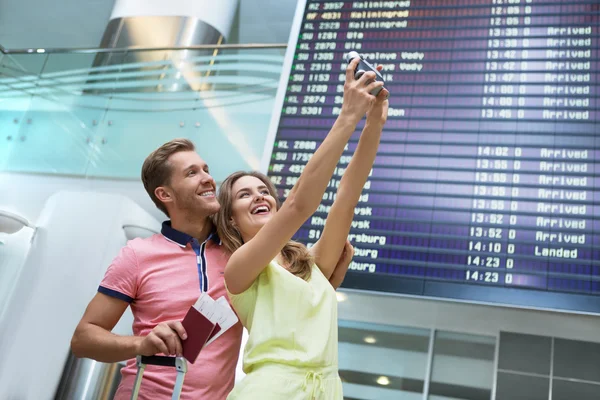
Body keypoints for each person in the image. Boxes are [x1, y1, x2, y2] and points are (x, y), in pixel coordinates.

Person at [69, 138, 354, 400]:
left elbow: (291, 300)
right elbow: (83, 338)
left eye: (206, 169)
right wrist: (141, 344)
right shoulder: (137, 255)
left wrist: (323, 282)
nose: (207, 178)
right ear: (164, 194)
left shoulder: (243, 252)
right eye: (192, 173)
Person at [214, 57, 389, 399]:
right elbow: (299, 205)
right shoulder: (240, 272)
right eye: (244, 195)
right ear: (231, 218)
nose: (259, 196)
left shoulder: (313, 266)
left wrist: (374, 123)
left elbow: (347, 197)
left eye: (264, 190)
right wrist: (347, 116)